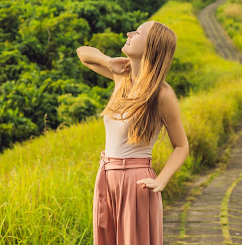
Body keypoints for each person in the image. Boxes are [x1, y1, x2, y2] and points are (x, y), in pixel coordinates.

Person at [76, 20, 189, 245]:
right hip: (106, 175)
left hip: (136, 180)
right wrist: (109, 62)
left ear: (151, 47)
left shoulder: (161, 94)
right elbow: (83, 53)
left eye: (137, 32)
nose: (129, 33)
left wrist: (162, 181)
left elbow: (181, 145)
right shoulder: (121, 78)